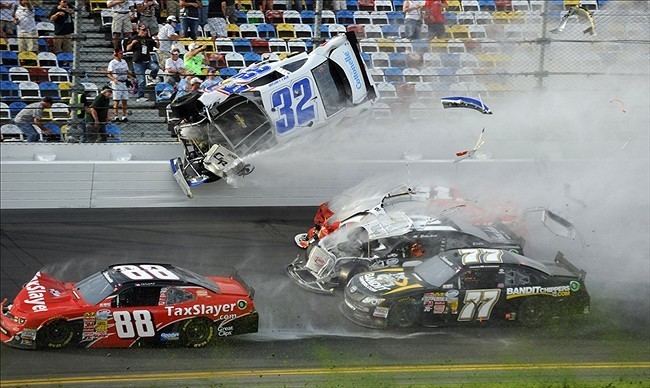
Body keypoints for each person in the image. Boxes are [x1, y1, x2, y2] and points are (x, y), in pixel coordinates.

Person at [127, 24, 159, 102]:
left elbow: (157, 46)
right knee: (141, 80)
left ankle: (151, 76)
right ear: (139, 30)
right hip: (138, 62)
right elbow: (127, 48)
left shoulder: (148, 39)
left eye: (145, 30)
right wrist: (132, 43)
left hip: (147, 60)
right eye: (143, 30)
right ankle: (140, 96)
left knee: (155, 67)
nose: (144, 32)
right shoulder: (135, 38)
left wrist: (157, 40)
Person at [107, 48, 131, 122]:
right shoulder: (112, 63)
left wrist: (132, 77)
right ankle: (116, 115)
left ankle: (124, 115)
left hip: (124, 82)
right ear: (116, 54)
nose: (122, 55)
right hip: (117, 83)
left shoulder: (124, 61)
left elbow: (127, 71)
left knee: (125, 100)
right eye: (120, 53)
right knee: (116, 100)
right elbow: (108, 73)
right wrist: (113, 79)